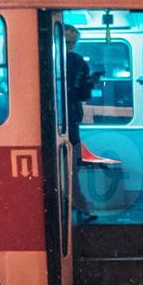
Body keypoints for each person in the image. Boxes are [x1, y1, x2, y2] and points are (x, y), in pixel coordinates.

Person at [65, 25, 98, 223]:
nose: (71, 46)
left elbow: (82, 94)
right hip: (67, 118)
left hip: (70, 120)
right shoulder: (77, 62)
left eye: (74, 42)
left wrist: (90, 83)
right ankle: (79, 206)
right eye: (68, 42)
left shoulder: (77, 62)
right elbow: (80, 94)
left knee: (72, 168)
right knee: (71, 168)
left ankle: (77, 206)